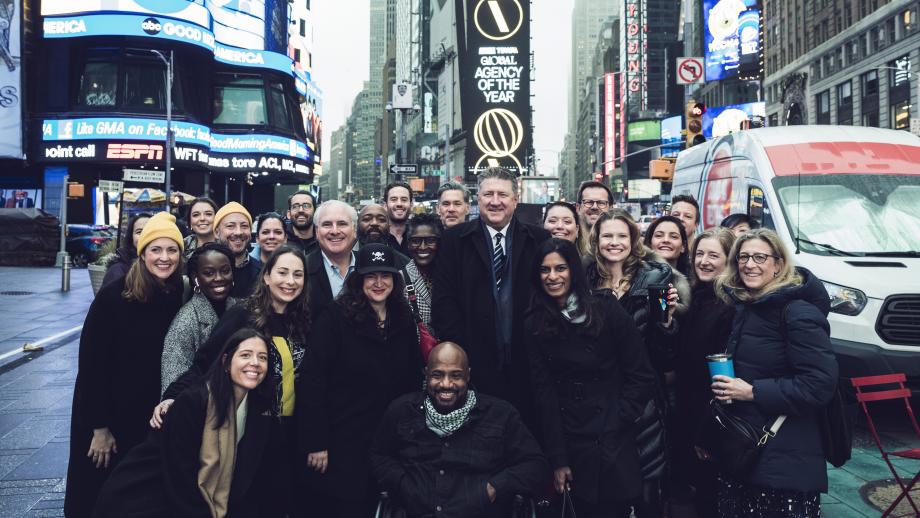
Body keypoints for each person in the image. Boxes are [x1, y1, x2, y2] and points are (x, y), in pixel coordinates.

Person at [156, 245, 311, 515]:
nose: (290, 281)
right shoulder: (243, 315)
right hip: (251, 430)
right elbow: (206, 361)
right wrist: (172, 396)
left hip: (290, 430)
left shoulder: (302, 320)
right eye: (283, 272)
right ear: (266, 276)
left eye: (298, 275)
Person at [709, 229, 837, 518]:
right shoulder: (747, 308)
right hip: (746, 452)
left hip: (784, 463)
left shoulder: (797, 312)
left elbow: (819, 385)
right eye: (743, 257)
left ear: (778, 264)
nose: (749, 264)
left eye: (759, 257)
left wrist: (752, 391)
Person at [64, 212, 185, 518]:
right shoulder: (113, 297)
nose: (164, 257)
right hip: (107, 417)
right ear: (142, 253)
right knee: (98, 493)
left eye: (172, 250)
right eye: (155, 250)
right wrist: (99, 428)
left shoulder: (173, 295)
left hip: (142, 415)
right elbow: (92, 366)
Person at [526, 239, 657, 517]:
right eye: (544, 270)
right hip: (571, 438)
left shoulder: (606, 309)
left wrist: (619, 417)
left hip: (614, 436)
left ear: (573, 270)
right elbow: (543, 393)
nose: (552, 277)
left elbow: (642, 374)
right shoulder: (534, 323)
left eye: (560, 268)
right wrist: (558, 458)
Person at [93, 329, 284, 518]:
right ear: (226, 362)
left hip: (195, 500)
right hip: (142, 497)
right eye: (245, 355)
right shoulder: (194, 401)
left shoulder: (259, 409)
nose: (255, 363)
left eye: (263, 357)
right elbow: (179, 475)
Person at [298, 243, 424, 517]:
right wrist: (316, 442)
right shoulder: (335, 317)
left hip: (390, 441)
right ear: (359, 280)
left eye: (386, 275)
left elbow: (413, 379)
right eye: (371, 276)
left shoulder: (403, 318)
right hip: (342, 439)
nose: (379, 283)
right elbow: (313, 381)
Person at [371, 342, 549, 518]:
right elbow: (379, 456)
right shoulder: (402, 411)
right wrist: (404, 485)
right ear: (425, 374)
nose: (446, 384)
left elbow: (534, 464)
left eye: (456, 376)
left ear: (468, 375)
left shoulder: (500, 415)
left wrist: (493, 489)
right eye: (437, 375)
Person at [585, 208, 685, 517]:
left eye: (621, 236)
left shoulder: (655, 277)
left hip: (643, 397)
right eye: (607, 236)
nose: (614, 242)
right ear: (596, 239)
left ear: (633, 239)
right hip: (596, 395)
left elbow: (663, 351)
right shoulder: (583, 278)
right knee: (605, 487)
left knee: (646, 486)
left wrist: (668, 323)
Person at [433, 167, 551, 428]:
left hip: (529, 366)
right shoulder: (454, 241)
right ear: (478, 198)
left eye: (502, 194)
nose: (495, 201)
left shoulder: (539, 240)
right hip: (475, 366)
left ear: (515, 199)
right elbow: (444, 302)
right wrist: (464, 354)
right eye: (488, 194)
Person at [672, 228, 736, 517]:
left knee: (711, 497)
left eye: (714, 255)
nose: (704, 261)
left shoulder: (728, 307)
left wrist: (707, 432)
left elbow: (721, 377)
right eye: (700, 253)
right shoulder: (698, 297)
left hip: (710, 421)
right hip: (690, 413)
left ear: (729, 260)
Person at [160, 242, 236, 394]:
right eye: (208, 273)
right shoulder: (185, 322)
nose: (219, 278)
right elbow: (173, 382)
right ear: (196, 278)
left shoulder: (237, 309)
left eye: (225, 271)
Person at [305, 200, 357, 317]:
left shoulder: (367, 266)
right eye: (327, 224)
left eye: (342, 224)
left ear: (355, 230)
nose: (335, 231)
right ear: (317, 232)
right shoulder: (302, 269)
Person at [403, 212, 442, 331]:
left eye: (430, 240)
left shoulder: (451, 275)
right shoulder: (399, 280)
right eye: (416, 241)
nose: (423, 247)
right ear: (408, 244)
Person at [213, 202, 260, 298]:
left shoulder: (262, 272)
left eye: (244, 226)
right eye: (230, 226)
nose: (238, 232)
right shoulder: (205, 270)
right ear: (217, 232)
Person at [101, 212, 151, 290]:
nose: (144, 235)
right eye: (139, 232)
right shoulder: (118, 271)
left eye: (150, 231)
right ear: (131, 237)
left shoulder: (163, 266)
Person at [575, 181, 614, 253]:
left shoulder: (620, 243)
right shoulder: (569, 241)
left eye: (601, 203)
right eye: (588, 202)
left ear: (611, 209)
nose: (595, 207)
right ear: (578, 208)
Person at [383, 181, 413, 253]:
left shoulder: (418, 235)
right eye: (393, 199)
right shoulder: (378, 236)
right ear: (385, 206)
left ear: (411, 206)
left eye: (404, 200)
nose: (399, 204)